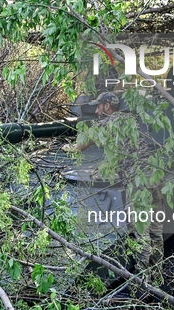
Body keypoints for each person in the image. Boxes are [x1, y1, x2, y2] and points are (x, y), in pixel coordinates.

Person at [64, 91, 164, 271]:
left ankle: (144, 279)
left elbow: (80, 147)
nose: (96, 111)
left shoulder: (107, 123)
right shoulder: (129, 120)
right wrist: (103, 167)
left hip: (137, 183)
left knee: (140, 232)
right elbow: (121, 149)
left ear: (107, 106)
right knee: (155, 231)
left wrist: (67, 148)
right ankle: (158, 273)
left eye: (98, 107)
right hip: (151, 178)